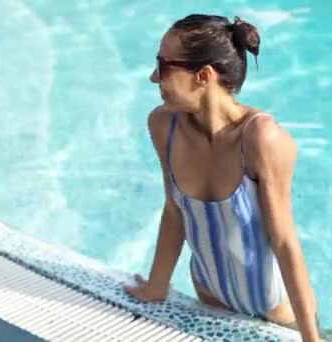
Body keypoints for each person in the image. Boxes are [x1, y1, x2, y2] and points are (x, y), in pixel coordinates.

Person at [122, 14, 320, 341]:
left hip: (275, 314)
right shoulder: (163, 126)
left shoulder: (261, 139)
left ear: (203, 75)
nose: (153, 77)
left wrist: (310, 338)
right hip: (210, 298)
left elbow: (285, 243)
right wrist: (156, 287)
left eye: (164, 66)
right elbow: (175, 212)